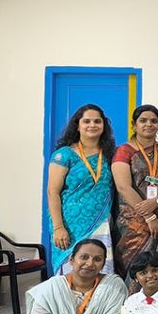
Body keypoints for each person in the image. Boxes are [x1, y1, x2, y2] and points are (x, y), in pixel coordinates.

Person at [112, 104, 158, 277]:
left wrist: (156, 202)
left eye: (153, 121)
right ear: (134, 125)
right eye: (143, 120)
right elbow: (123, 187)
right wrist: (149, 217)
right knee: (133, 269)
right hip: (132, 222)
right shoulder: (124, 151)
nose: (149, 124)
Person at [46, 104, 117, 276]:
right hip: (69, 225)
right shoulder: (64, 155)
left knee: (99, 271)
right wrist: (58, 227)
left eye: (97, 121)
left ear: (104, 126)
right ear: (77, 126)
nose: (92, 125)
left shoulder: (110, 154)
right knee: (72, 272)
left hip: (101, 223)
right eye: (87, 121)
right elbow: (52, 192)